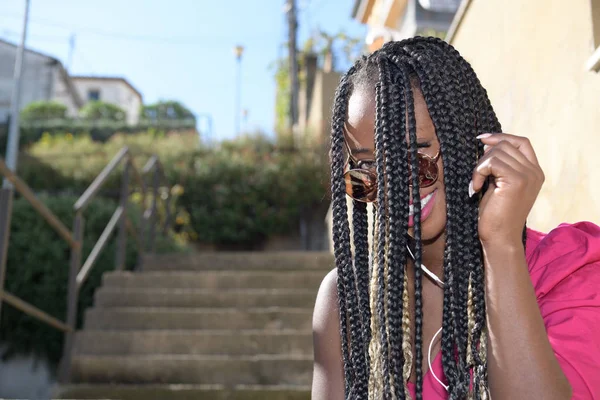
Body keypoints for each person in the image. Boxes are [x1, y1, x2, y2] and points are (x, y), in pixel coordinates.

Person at [311, 36, 600, 400]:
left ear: (470, 138)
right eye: (367, 171)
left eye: (415, 157)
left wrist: (501, 244)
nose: (396, 189)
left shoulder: (568, 270)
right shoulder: (346, 299)